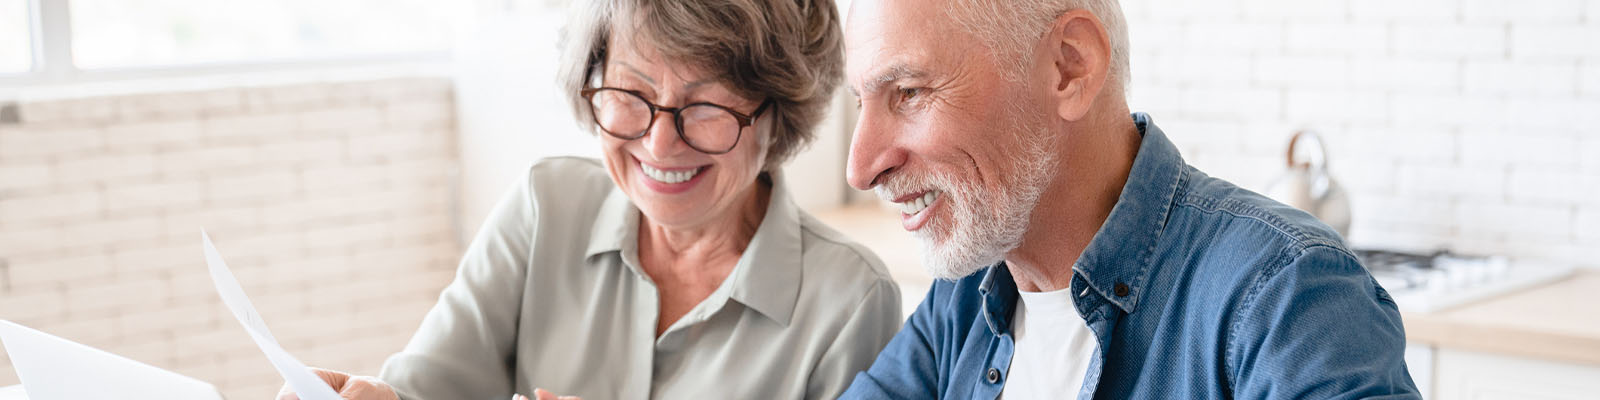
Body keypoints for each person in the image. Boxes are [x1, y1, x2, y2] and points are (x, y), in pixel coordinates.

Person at [279, 0, 902, 399]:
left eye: (705, 106)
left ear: (777, 116)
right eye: (630, 92)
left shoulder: (849, 301)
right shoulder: (544, 207)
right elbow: (427, 388)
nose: (659, 141)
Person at [836, 0, 1421, 398]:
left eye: (909, 93)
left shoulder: (1284, 298)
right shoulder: (963, 302)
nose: (861, 167)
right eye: (863, 101)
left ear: (1070, 67)